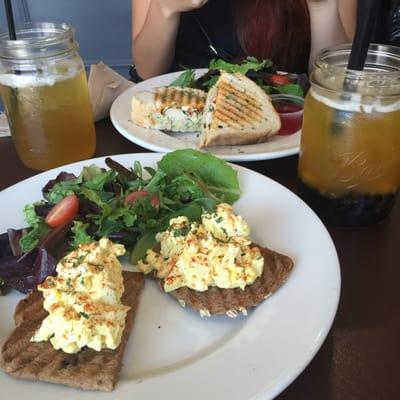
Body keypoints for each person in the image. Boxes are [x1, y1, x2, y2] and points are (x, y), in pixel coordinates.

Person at [131, 0, 357, 81]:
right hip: (180, 122)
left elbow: (339, 81)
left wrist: (324, 6)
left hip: (291, 132)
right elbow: (148, 70)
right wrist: (164, 7)